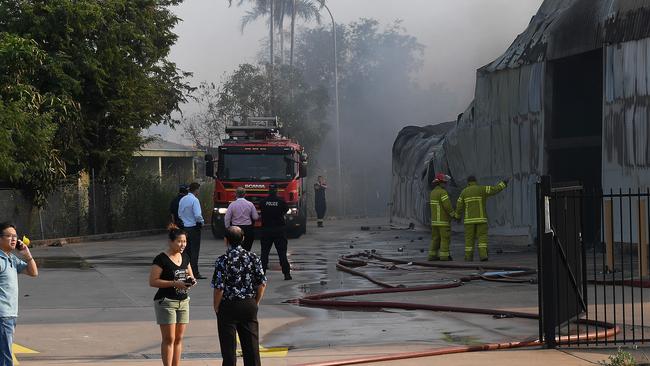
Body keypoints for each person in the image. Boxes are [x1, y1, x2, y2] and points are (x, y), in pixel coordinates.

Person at [212, 226, 267, 366]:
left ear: (226, 240)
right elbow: (262, 284)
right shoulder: (253, 257)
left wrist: (216, 307)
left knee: (228, 349)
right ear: (243, 239)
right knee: (252, 347)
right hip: (248, 304)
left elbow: (219, 288)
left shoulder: (223, 260)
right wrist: (256, 302)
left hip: (228, 305)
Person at [149, 223, 196, 366]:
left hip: (183, 301)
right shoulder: (161, 259)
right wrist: (174, 283)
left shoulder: (185, 257)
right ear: (171, 242)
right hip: (166, 302)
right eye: (179, 241)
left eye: (185, 241)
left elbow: (191, 275)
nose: (182, 244)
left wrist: (191, 282)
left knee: (179, 338)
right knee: (169, 338)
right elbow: (153, 281)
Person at [0, 222, 38, 365]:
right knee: (5, 358)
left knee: (4, 355)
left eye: (15, 236)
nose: (13, 239)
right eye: (8, 236)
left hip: (10, 314)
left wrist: (27, 254)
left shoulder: (12, 259)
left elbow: (33, 272)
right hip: (2, 316)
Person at [455, 176, 508, 261]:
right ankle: (483, 256)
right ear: (476, 181)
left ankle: (468, 257)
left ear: (468, 182)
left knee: (469, 239)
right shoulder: (481, 189)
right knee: (482, 237)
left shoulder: (464, 192)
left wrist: (457, 216)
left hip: (469, 221)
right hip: (481, 219)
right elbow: (494, 190)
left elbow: (459, 205)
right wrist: (503, 184)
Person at [259, 184, 292, 280]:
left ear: (269, 191)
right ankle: (287, 274)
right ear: (277, 191)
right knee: (282, 253)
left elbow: (261, 209)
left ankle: (262, 275)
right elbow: (286, 209)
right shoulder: (281, 201)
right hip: (279, 230)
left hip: (266, 230)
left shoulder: (263, 202)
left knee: (264, 254)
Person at [178, 182, 206, 279]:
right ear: (196, 190)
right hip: (194, 227)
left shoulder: (182, 199)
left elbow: (179, 214)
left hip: (185, 228)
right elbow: (198, 215)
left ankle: (185, 272)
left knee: (185, 251)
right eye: (199, 189)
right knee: (194, 251)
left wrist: (185, 221)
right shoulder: (195, 200)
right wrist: (201, 222)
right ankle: (195, 272)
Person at [428, 173, 458, 261]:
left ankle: (432, 255)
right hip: (443, 221)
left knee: (435, 239)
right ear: (440, 183)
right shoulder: (443, 192)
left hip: (434, 222)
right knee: (445, 239)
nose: (445, 184)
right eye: (444, 182)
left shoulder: (432, 193)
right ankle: (444, 256)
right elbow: (447, 206)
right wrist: (453, 214)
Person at [224, 187, 259, 251]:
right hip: (248, 229)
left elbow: (227, 218)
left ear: (236, 194)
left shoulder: (232, 205)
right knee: (247, 249)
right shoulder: (250, 204)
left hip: (235, 230)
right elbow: (255, 217)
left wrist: (228, 228)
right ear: (245, 194)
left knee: (235, 249)